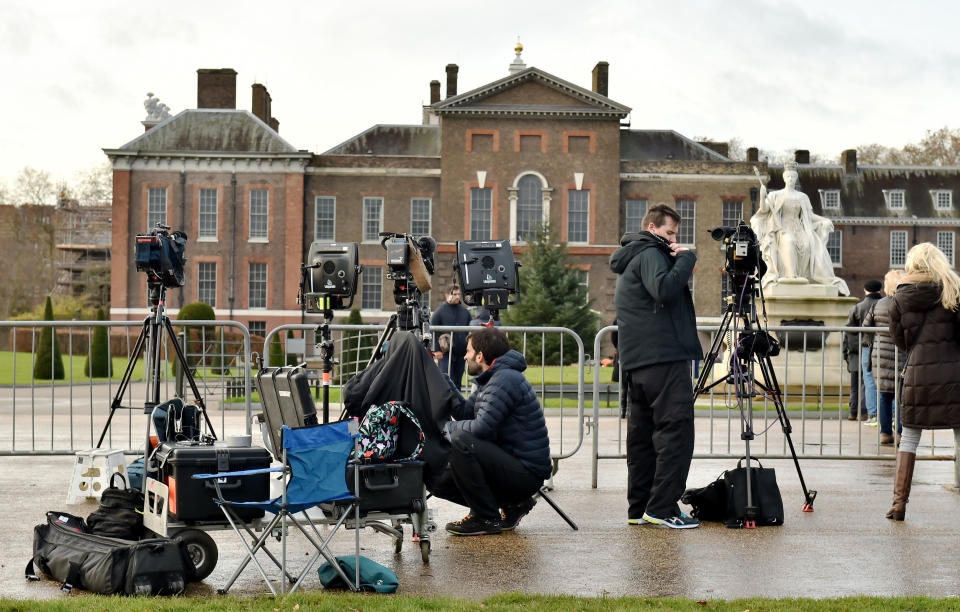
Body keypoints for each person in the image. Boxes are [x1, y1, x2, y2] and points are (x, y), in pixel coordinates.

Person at [609, 203, 702, 529]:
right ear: (652, 228)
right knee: (675, 432)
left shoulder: (634, 257)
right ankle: (662, 508)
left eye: (676, 234)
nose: (674, 239)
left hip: (640, 360)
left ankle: (640, 509)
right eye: (669, 232)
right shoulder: (650, 254)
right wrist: (687, 259)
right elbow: (663, 289)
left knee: (643, 438)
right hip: (663, 357)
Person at [439, 327, 552, 536]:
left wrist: (446, 429)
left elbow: (481, 428)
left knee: (461, 441)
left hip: (527, 473)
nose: (465, 356)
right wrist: (442, 381)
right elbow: (465, 413)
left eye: (468, 351)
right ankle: (512, 505)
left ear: (480, 356)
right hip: (516, 466)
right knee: (438, 480)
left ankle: (485, 518)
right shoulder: (493, 377)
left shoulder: (505, 379)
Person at [886, 242, 960, 520]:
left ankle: (898, 503)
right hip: (954, 372)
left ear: (913, 264)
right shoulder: (954, 290)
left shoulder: (901, 297)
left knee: (910, 438)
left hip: (918, 373)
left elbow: (900, 340)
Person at [750, 162, 849, 295]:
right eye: (788, 177)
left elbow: (810, 216)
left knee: (808, 245)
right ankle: (791, 276)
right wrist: (762, 197)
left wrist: (823, 220)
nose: (791, 179)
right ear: (784, 178)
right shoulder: (775, 195)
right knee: (789, 242)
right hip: (782, 228)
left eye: (793, 177)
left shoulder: (802, 197)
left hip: (799, 228)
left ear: (796, 178)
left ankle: (803, 276)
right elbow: (764, 210)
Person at [863, 270, 906, 445]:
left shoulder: (879, 304)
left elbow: (866, 326)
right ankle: (901, 433)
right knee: (901, 396)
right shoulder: (905, 304)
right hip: (900, 354)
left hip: (880, 356)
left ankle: (885, 432)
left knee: (883, 395)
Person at [852, 280, 884, 424]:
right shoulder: (884, 304)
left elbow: (851, 329)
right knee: (886, 380)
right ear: (880, 290)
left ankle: (873, 414)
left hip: (866, 345)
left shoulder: (858, 307)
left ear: (865, 290)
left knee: (869, 380)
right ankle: (890, 415)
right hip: (883, 344)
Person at [431, 285, 472, 388]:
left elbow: (469, 332)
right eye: (454, 294)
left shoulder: (465, 312)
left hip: (461, 353)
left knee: (457, 383)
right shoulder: (439, 312)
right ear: (447, 295)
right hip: (445, 353)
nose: (457, 297)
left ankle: (458, 404)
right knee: (446, 382)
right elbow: (433, 331)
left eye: (459, 294)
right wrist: (436, 350)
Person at [841, 304, 861, 421]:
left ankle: (852, 412)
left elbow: (844, 347)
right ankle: (863, 411)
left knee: (854, 388)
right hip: (865, 359)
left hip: (853, 360)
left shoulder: (848, 330)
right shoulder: (864, 329)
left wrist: (847, 359)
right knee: (864, 387)